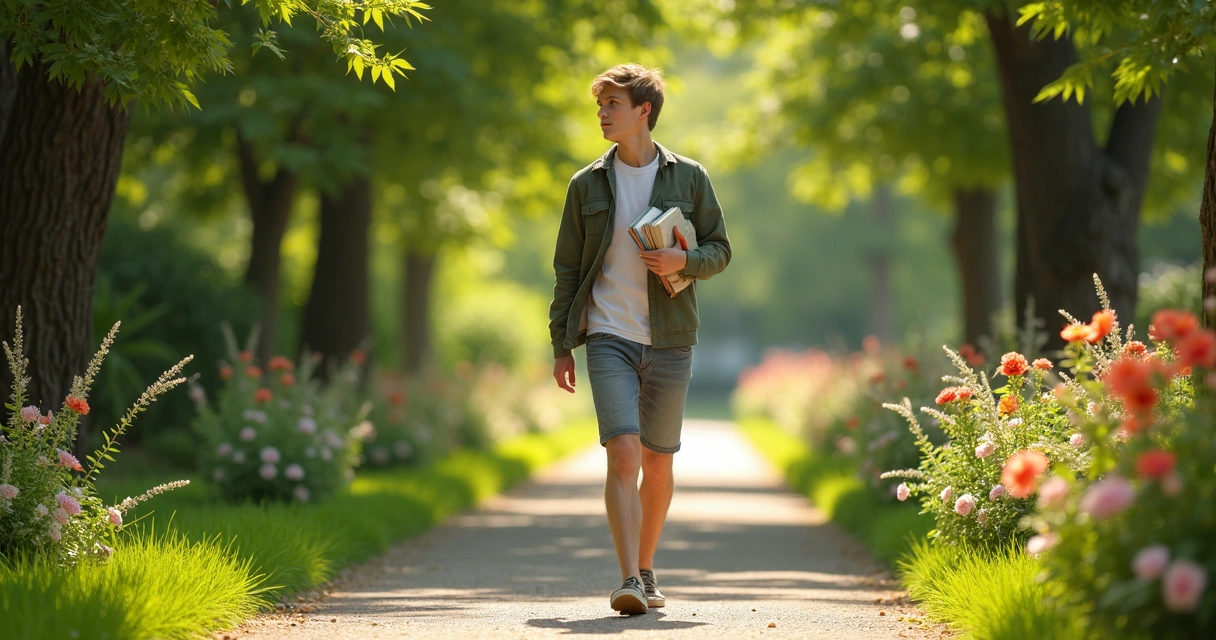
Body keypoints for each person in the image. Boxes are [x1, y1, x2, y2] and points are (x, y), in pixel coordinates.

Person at [547, 63, 731, 615]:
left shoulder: (690, 177)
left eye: (612, 105)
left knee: (659, 460)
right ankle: (627, 577)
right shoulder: (586, 185)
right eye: (600, 106)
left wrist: (685, 260)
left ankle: (647, 569)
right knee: (623, 453)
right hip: (608, 334)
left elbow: (720, 249)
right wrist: (561, 344)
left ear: (642, 111)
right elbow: (566, 269)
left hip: (672, 337)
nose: (602, 115)